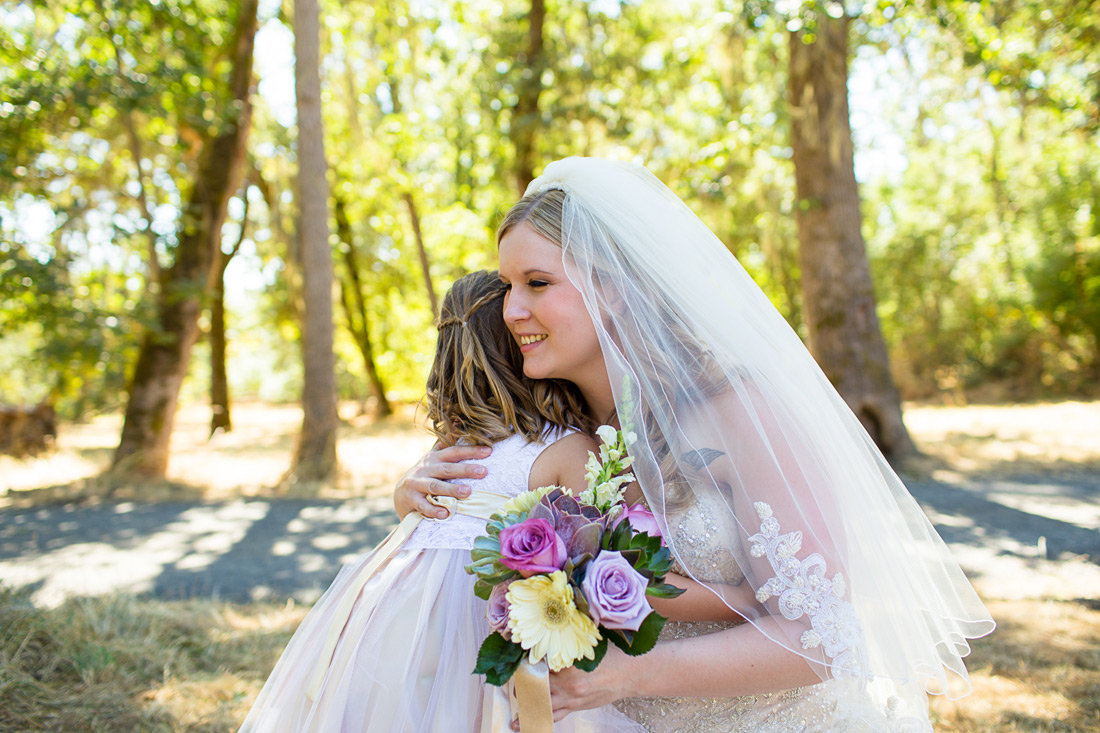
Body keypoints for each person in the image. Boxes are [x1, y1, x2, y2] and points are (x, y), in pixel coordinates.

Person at [394, 157, 996, 731]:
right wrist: (413, 496)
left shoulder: (741, 411)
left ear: (617, 288)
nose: (511, 310)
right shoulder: (557, 432)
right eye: (505, 287)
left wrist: (632, 675)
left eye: (537, 283)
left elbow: (823, 636)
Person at [240, 270, 643, 732]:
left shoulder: (452, 445)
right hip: (483, 630)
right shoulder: (569, 449)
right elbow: (617, 552)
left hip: (397, 625)